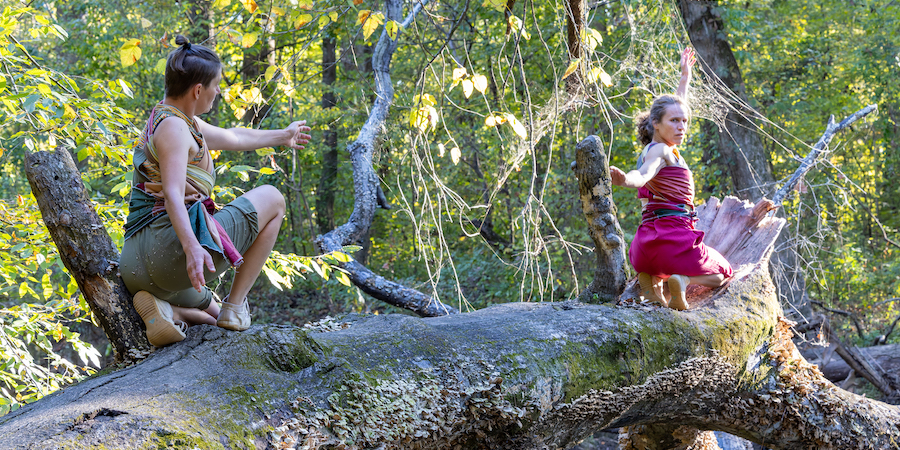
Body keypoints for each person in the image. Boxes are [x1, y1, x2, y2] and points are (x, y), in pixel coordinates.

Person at [120, 35, 312, 346]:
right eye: (216, 84)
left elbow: (234, 137)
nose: (218, 91)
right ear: (198, 90)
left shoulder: (170, 119)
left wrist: (284, 136)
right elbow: (171, 193)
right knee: (274, 200)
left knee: (212, 318)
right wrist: (193, 248)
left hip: (139, 267)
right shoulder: (175, 129)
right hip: (168, 253)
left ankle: (172, 311)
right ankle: (235, 307)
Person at [609, 47, 732, 311]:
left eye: (684, 121)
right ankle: (683, 280)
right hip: (673, 242)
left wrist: (684, 77)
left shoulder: (663, 148)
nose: (681, 127)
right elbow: (641, 176)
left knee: (658, 267)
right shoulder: (660, 151)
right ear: (655, 123)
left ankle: (651, 283)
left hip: (643, 250)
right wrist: (624, 181)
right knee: (723, 271)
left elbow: (677, 106)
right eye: (675, 121)